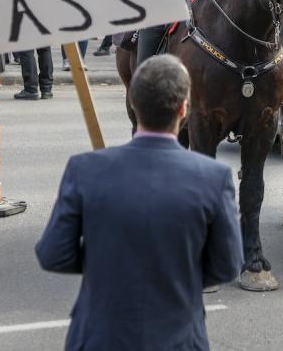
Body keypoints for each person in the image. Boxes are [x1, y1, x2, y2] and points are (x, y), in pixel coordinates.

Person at [35, 55, 243, 351]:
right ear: (185, 108)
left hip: (99, 338)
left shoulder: (84, 169)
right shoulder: (214, 177)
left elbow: (53, 254)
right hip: (179, 340)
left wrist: (106, 260)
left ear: (133, 103)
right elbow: (227, 265)